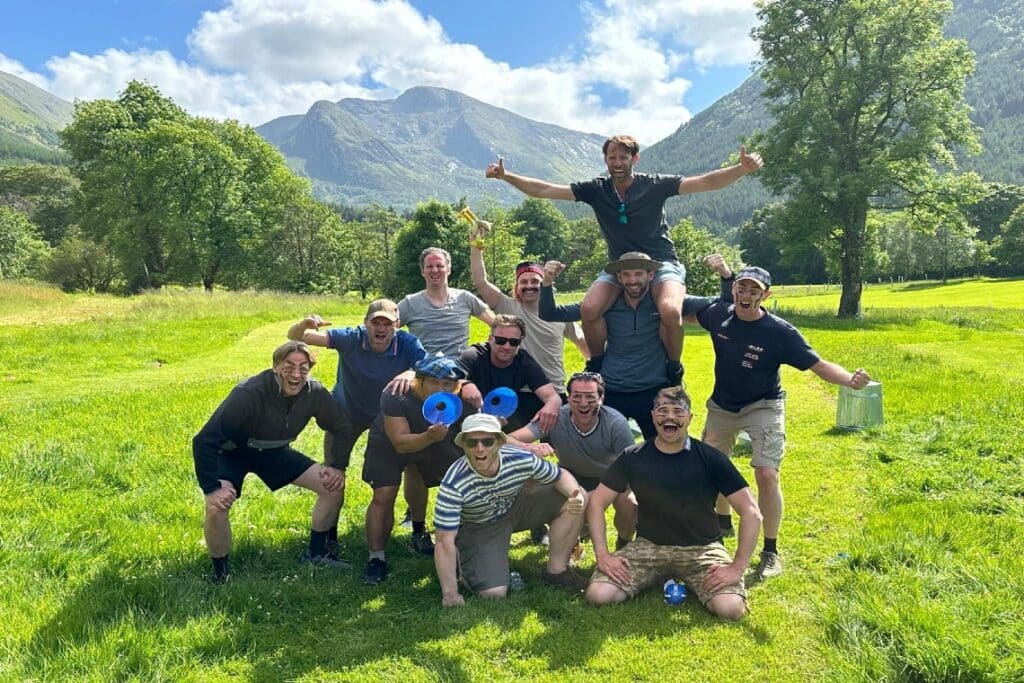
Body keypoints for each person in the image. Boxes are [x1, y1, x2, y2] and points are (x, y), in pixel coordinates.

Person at [486, 135, 762, 383]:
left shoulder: (653, 185)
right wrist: (506, 176)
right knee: (591, 307)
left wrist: (741, 169)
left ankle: (673, 365)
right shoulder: (596, 189)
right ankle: (596, 362)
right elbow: (545, 190)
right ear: (605, 160)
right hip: (620, 266)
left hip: (662, 262)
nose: (617, 162)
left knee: (668, 309)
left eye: (623, 157)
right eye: (612, 157)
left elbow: (705, 182)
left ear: (635, 158)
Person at [694, 263, 872, 580]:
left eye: (754, 290)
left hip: (764, 404)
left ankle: (770, 551)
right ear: (733, 289)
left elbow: (818, 365)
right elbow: (676, 313)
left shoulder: (780, 333)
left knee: (766, 474)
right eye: (742, 288)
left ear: (766, 295)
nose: (746, 295)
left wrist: (850, 380)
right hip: (722, 406)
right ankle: (721, 522)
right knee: (712, 469)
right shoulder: (717, 315)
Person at [585, 387, 762, 621]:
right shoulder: (634, 456)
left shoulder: (711, 458)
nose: (670, 417)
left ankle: (676, 577)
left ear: (689, 419)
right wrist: (604, 556)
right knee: (599, 595)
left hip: (701, 549)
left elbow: (751, 512)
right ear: (652, 416)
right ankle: (659, 575)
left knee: (731, 609)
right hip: (650, 547)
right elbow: (597, 503)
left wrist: (736, 568)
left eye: (678, 411)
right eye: (662, 410)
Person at [192, 341, 350, 583]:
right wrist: (211, 488)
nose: (296, 375)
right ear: (276, 366)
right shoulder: (249, 393)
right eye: (289, 367)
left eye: (303, 368)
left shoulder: (315, 392)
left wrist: (336, 465)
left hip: (274, 452)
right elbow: (203, 440)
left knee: (333, 487)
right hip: (232, 453)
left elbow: (340, 426)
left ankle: (316, 553)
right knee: (216, 507)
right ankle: (220, 573)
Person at [286, 299, 426, 550]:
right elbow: (295, 338)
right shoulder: (351, 337)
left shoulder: (407, 343)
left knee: (406, 468)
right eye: (376, 322)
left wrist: (411, 373)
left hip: (387, 418)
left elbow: (424, 368)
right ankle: (328, 535)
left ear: (397, 325)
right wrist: (303, 325)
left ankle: (418, 529)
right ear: (366, 323)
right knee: (333, 472)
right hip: (346, 414)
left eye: (388, 324)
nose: (381, 329)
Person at [433, 413, 588, 606]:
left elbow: (559, 476)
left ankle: (556, 571)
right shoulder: (454, 483)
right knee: (494, 594)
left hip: (516, 507)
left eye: (487, 441)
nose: (480, 448)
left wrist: (575, 495)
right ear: (463, 445)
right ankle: (466, 563)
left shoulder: (519, 458)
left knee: (578, 495)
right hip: (480, 525)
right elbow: (442, 541)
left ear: (499, 442)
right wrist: (450, 593)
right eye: (472, 443)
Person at [361, 356, 471, 585]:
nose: (441, 388)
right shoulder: (396, 395)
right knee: (384, 494)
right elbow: (400, 443)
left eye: (448, 383)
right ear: (419, 381)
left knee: (462, 484)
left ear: (456, 386)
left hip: (435, 440)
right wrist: (428, 436)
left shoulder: (460, 401)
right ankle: (376, 558)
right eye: (433, 382)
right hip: (389, 443)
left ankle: (427, 536)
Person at [508, 371, 638, 550]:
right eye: (577, 397)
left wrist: (595, 496)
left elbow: (631, 470)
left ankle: (624, 544)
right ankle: (546, 530)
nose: (583, 404)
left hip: (610, 480)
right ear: (568, 398)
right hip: (569, 477)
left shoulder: (616, 424)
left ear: (601, 398)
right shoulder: (555, 417)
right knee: (532, 476)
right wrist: (529, 447)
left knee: (629, 502)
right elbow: (505, 440)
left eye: (590, 397)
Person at [468, 223, 588, 397]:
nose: (529, 286)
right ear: (516, 286)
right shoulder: (507, 307)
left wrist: (595, 370)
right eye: (524, 282)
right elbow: (480, 282)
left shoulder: (559, 315)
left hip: (554, 390)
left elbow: (582, 342)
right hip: (516, 391)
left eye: (535, 281)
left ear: (545, 285)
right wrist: (476, 245)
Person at [458, 314, 563, 433]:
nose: (507, 347)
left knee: (556, 413)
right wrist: (465, 384)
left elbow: (553, 397)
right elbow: (450, 378)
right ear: (490, 339)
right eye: (500, 340)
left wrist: (551, 406)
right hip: (470, 413)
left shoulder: (524, 362)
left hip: (504, 413)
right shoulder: (474, 355)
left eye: (514, 342)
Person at [397, 246, 495, 356]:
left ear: (448, 269)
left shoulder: (465, 298)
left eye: (439, 266)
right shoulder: (410, 303)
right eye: (429, 266)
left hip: (460, 368)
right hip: (425, 367)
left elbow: (497, 324)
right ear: (422, 271)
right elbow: (383, 329)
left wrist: (490, 348)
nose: (434, 270)